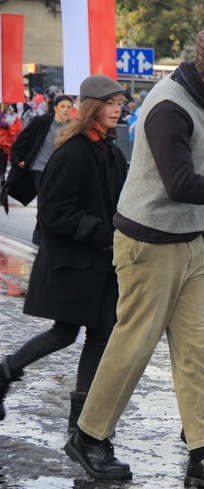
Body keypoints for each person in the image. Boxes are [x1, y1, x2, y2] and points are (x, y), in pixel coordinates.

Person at [64, 28, 204, 489]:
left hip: (189, 242)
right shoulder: (167, 107)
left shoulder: (197, 96)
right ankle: (89, 435)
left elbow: (203, 113)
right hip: (149, 245)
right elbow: (180, 184)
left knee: (197, 349)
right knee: (133, 343)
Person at [0, 75, 128, 432]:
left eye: (119, 102)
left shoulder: (113, 152)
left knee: (99, 335)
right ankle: (6, 372)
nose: (117, 108)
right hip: (73, 263)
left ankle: (81, 424)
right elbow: (54, 211)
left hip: (102, 264)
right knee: (65, 333)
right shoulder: (71, 152)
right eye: (109, 103)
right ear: (92, 108)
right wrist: (99, 230)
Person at [8, 95, 74, 244]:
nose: (65, 110)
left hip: (57, 171)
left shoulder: (70, 128)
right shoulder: (42, 122)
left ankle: (40, 232)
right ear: (56, 108)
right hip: (39, 167)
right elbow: (23, 140)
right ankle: (41, 236)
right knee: (45, 200)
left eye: (68, 107)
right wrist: (17, 159)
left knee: (51, 202)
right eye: (62, 106)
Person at [0, 104, 22, 185]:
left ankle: (2, 176)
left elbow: (18, 127)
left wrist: (8, 126)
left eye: (7, 103)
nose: (5, 105)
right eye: (4, 103)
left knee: (4, 160)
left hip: (8, 143)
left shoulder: (13, 115)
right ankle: (1, 175)